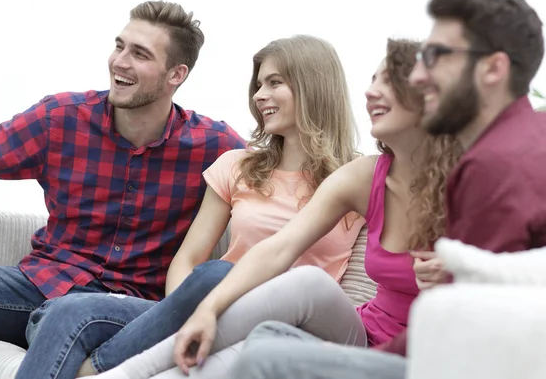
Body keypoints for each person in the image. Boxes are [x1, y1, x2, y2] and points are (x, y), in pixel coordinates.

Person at [85, 38, 462, 379]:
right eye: (372, 79)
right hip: (358, 335)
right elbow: (280, 248)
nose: (369, 92)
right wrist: (208, 310)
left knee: (256, 334)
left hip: (419, 358)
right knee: (283, 293)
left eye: (388, 82)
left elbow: (515, 280)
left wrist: (468, 271)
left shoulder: (477, 186)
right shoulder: (365, 176)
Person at [223, 0, 546, 379]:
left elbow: (464, 323)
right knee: (269, 334)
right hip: (394, 338)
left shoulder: (492, 164)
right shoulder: (510, 145)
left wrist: (451, 283)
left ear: (493, 69)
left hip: (446, 359)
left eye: (439, 57)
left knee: (265, 357)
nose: (425, 75)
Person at [16, 34, 364, 379]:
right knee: (68, 311)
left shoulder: (358, 179)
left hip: (280, 322)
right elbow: (189, 260)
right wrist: (180, 310)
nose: (259, 96)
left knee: (215, 275)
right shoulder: (237, 166)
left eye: (274, 83)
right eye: (258, 85)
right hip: (207, 306)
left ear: (312, 87)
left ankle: (101, 368)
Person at [0, 0, 247, 379]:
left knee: (65, 315)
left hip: (127, 311)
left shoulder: (215, 146)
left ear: (176, 74)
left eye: (139, 54)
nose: (120, 61)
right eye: (119, 46)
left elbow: (276, 184)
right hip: (37, 287)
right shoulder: (61, 119)